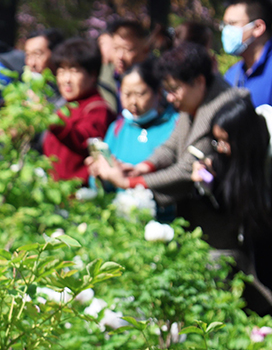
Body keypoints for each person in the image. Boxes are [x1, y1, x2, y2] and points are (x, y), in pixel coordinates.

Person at [89, 42, 246, 249]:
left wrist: (129, 183)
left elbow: (186, 169)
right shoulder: (193, 99)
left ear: (198, 81)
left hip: (224, 222)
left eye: (173, 90)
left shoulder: (225, 109)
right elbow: (171, 146)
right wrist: (141, 167)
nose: (170, 98)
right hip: (197, 216)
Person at [195, 98, 272, 317]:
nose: (221, 149)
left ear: (244, 139)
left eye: (225, 142)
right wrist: (206, 183)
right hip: (265, 244)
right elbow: (226, 201)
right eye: (217, 142)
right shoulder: (235, 153)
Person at [43, 38, 115, 183]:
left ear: (93, 75)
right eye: (61, 71)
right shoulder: (67, 106)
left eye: (74, 71)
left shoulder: (98, 109)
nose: (66, 79)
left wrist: (51, 119)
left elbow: (83, 140)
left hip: (79, 196)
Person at [101, 59, 179, 173]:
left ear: (158, 92)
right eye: (127, 94)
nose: (133, 102)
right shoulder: (117, 129)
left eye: (139, 94)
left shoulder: (176, 124)